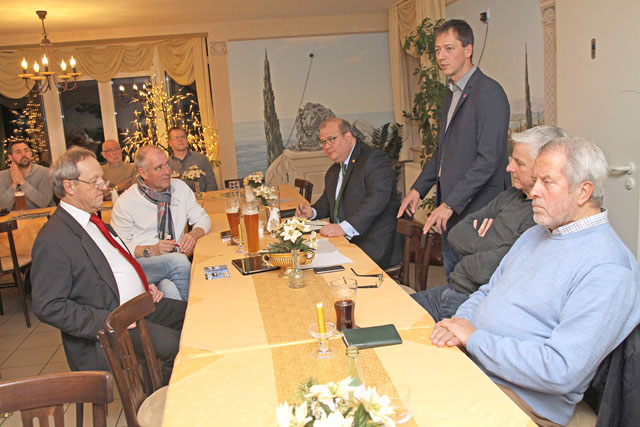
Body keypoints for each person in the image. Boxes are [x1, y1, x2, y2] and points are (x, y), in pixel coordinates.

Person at [430, 137, 640, 426]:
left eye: (547, 182)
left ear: (583, 192)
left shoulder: (608, 268)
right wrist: (458, 325)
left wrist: (475, 339)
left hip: (522, 399)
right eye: (535, 180)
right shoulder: (537, 233)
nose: (534, 190)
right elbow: (489, 290)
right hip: (475, 363)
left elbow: (560, 371)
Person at [31, 147, 186, 385]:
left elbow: (115, 267)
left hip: (141, 304)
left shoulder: (92, 219)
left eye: (102, 179)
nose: (104, 186)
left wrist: (145, 285)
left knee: (195, 316)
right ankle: (164, 410)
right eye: (95, 182)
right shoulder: (53, 238)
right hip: (111, 325)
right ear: (69, 187)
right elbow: (48, 306)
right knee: (178, 347)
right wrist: (109, 321)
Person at [412, 126, 567, 321]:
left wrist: (480, 244)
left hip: (469, 303)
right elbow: (456, 233)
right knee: (384, 312)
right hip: (451, 290)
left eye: (519, 163)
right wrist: (489, 244)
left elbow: (484, 271)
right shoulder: (510, 196)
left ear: (541, 168)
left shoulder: (540, 216)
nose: (509, 168)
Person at [397, 19, 511, 279]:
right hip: (453, 211)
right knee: (454, 283)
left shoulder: (489, 92)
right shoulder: (451, 94)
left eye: (449, 49)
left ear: (468, 49)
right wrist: (417, 189)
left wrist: (449, 203)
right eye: (437, 50)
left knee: (476, 288)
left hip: (480, 212)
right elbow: (442, 152)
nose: (441, 56)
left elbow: (488, 160)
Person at [295, 118, 401, 268]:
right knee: (302, 260)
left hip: (372, 244)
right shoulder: (334, 170)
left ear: (348, 137)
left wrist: (344, 227)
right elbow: (327, 201)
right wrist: (311, 211)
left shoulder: (373, 159)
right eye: (324, 142)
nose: (327, 146)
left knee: (315, 267)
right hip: (342, 241)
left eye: (331, 139)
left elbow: (377, 199)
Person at [111, 145, 211, 301]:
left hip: (172, 265)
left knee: (168, 288)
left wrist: (193, 234)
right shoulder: (126, 202)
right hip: (142, 264)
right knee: (178, 261)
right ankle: (198, 311)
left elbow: (203, 218)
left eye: (167, 164)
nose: (167, 171)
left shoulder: (180, 188)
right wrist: (152, 250)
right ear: (143, 173)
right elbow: (118, 248)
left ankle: (185, 320)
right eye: (159, 168)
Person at [0, 140, 53, 210]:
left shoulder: (44, 172)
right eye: (18, 152)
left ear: (30, 153)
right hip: (14, 219)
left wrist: (22, 182)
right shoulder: (2, 176)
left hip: (43, 218)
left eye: (26, 151)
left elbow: (44, 203)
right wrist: (14, 185)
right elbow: (4, 207)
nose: (24, 154)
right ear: (10, 157)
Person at [167, 126, 218, 192]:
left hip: (202, 200)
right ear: (170, 143)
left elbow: (211, 184)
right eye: (176, 138)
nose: (180, 140)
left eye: (182, 137)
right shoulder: (167, 164)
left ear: (186, 139)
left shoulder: (201, 159)